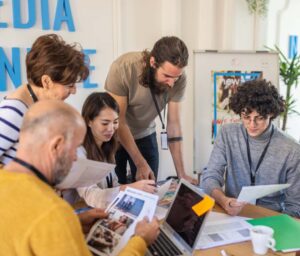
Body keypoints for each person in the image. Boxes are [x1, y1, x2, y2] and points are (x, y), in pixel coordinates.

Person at [0, 100, 160, 256]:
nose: (76, 157)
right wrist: (140, 240)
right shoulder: (53, 212)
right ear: (57, 146)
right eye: (76, 148)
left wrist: (73, 223)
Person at [105, 36, 197, 184]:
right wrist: (140, 163)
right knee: (116, 191)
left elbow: (174, 125)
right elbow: (119, 121)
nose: (172, 83)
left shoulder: (177, 78)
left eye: (176, 77)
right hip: (115, 135)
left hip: (145, 133)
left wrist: (181, 174)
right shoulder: (123, 68)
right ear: (153, 62)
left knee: (149, 188)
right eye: (167, 76)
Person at [201, 79, 300, 217]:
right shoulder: (227, 134)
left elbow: (295, 205)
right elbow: (210, 176)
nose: (252, 124)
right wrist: (224, 201)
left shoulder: (292, 149)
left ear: (271, 114)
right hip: (233, 213)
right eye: (246, 117)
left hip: (271, 218)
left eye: (259, 118)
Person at [0, 33, 89, 165]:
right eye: (69, 85)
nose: (74, 91)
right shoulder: (14, 112)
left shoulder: (37, 105)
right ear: (46, 81)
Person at [67, 92, 157, 208]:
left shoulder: (107, 145)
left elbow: (112, 184)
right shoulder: (78, 153)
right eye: (105, 123)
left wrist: (136, 191)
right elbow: (91, 196)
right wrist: (131, 188)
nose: (111, 129)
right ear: (89, 121)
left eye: (115, 122)